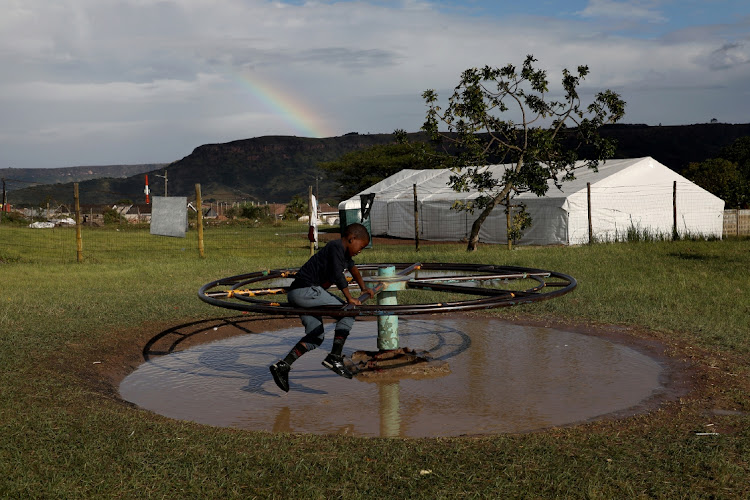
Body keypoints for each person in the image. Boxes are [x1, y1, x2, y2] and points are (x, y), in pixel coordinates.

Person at [269, 223, 372, 392]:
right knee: (348, 312)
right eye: (361, 246)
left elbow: (353, 269)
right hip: (307, 291)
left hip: (300, 294)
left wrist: (364, 288)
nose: (361, 250)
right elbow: (339, 275)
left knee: (316, 336)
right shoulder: (335, 247)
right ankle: (335, 357)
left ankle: (283, 366)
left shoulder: (343, 252)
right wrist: (350, 298)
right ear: (352, 238)